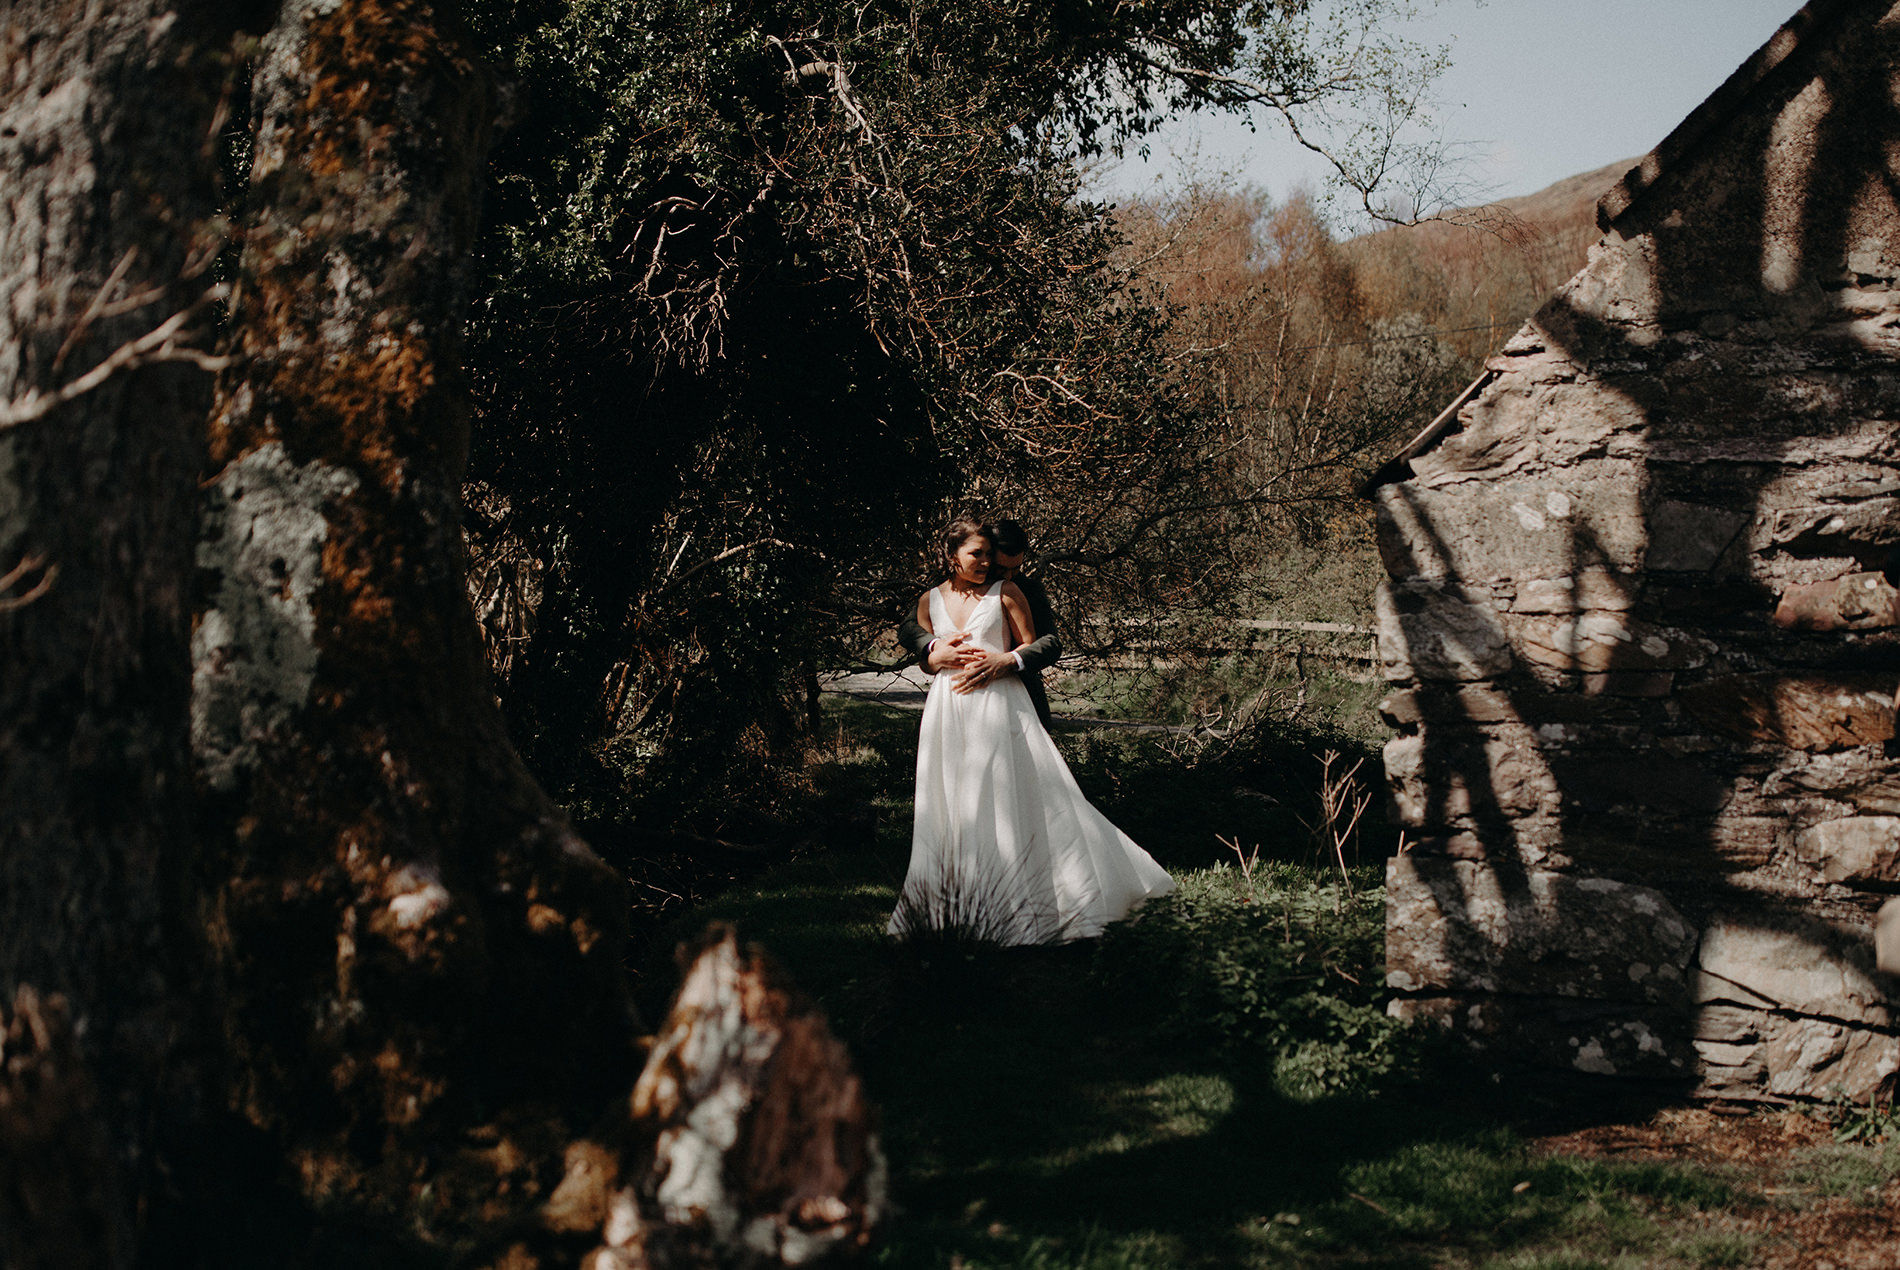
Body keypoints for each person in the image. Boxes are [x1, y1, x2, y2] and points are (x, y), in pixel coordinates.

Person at [888, 517, 1174, 945]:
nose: (993, 567)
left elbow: (1043, 642)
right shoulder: (932, 597)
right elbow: (914, 635)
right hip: (949, 710)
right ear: (954, 557)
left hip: (1002, 703)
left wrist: (1005, 661)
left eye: (998, 561)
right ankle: (956, 905)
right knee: (952, 802)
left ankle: (1034, 900)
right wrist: (933, 653)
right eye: (981, 557)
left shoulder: (1014, 589)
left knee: (1017, 799)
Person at [897, 518, 1061, 730]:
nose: (1009, 575)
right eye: (1001, 568)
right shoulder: (946, 586)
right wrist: (936, 648)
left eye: (1016, 568)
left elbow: (1051, 642)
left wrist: (1007, 661)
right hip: (955, 700)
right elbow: (909, 628)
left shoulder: (1024, 590)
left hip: (1017, 696)